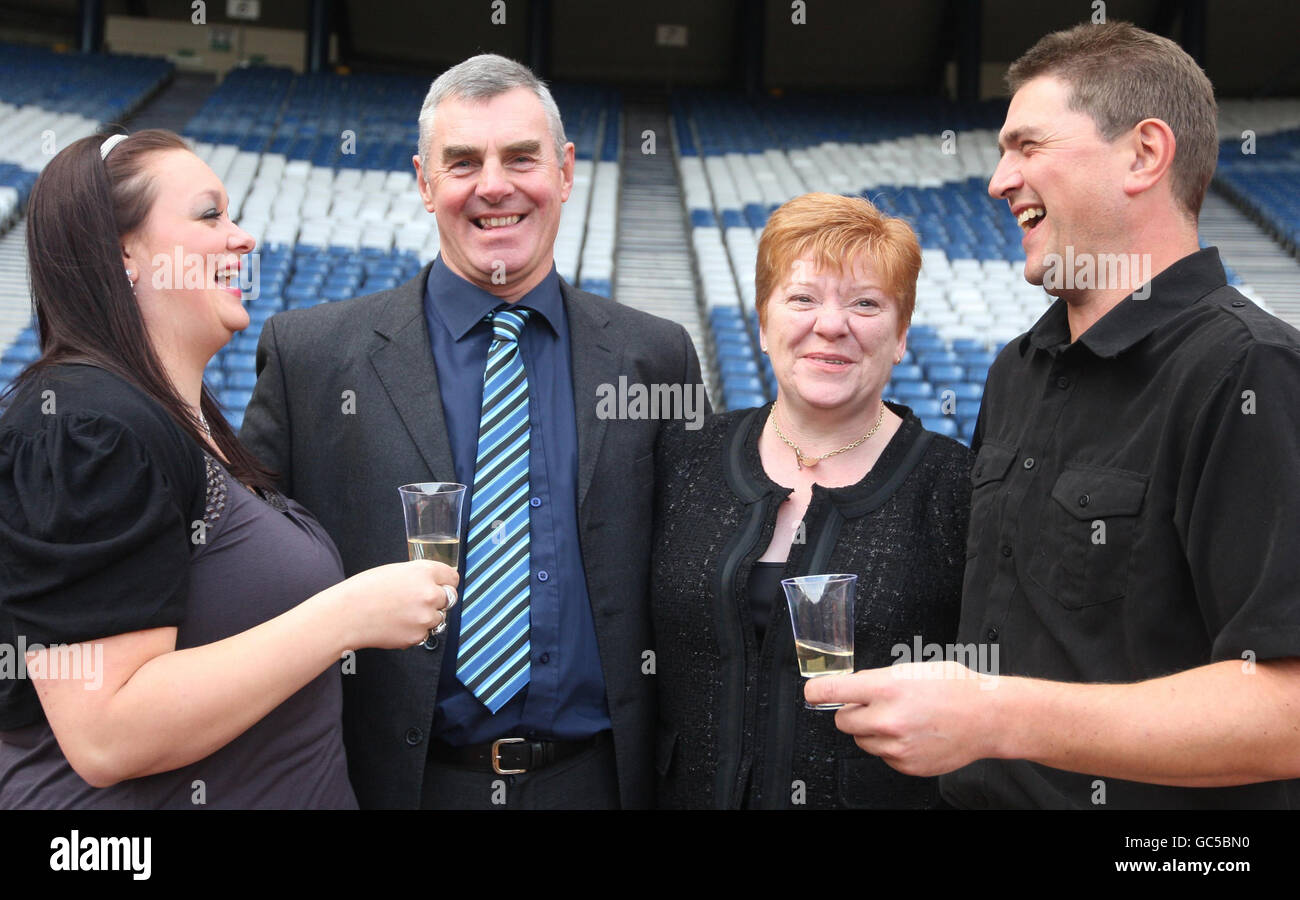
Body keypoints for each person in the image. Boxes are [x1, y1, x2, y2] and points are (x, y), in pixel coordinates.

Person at [806, 22, 1300, 809]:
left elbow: (1287, 712)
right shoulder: (1015, 370)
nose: (999, 180)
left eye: (1028, 145)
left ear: (1144, 154)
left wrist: (997, 717)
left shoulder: (1251, 370)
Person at [240, 54, 707, 810]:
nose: (495, 185)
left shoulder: (655, 356)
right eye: (464, 163)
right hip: (390, 787)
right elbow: (247, 574)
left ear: (564, 171)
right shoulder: (313, 357)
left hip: (598, 785)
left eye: (521, 158)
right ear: (426, 182)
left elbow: (696, 571)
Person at [0, 130, 458, 809]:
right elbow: (106, 734)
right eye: (209, 215)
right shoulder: (85, 424)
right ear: (124, 252)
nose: (244, 239)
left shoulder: (181, 421)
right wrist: (346, 617)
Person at [650, 192, 972, 809]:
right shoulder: (683, 459)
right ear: (763, 322)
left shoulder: (957, 488)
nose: (831, 324)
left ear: (901, 335)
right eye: (802, 298)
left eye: (866, 304)